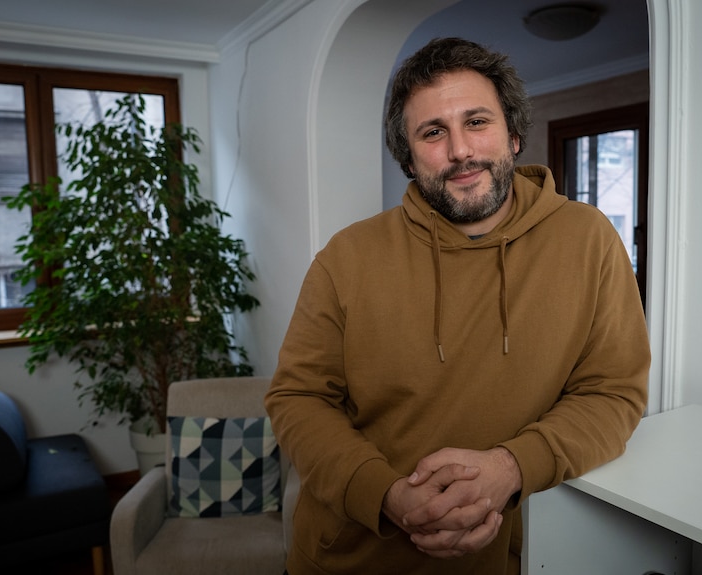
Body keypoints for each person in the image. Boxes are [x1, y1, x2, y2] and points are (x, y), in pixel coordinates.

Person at [264, 37, 650, 575]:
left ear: (513, 135)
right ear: (408, 157)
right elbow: (298, 398)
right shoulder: (345, 258)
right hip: (352, 558)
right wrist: (386, 495)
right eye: (433, 132)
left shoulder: (589, 240)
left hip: (515, 559)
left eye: (477, 122)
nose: (460, 150)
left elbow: (613, 393)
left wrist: (511, 467)